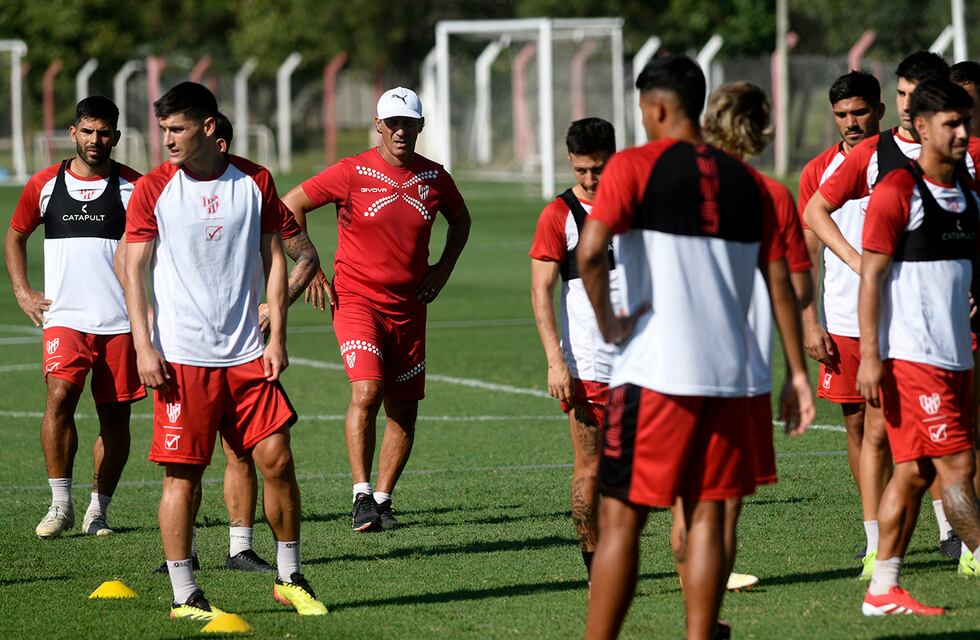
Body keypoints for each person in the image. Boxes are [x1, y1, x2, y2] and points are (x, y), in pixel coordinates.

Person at [579, 55, 814, 640]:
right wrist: (796, 374)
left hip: (657, 373)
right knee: (709, 512)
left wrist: (608, 321)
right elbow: (782, 283)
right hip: (733, 380)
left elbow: (588, 255)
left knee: (621, 517)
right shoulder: (752, 185)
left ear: (657, 108)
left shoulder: (633, 166)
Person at [123, 81, 326, 619]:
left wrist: (277, 333)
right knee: (183, 477)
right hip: (182, 360)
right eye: (163, 129)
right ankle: (185, 593)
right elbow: (132, 266)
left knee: (277, 459)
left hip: (246, 356)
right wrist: (144, 346)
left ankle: (289, 576)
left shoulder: (255, 180)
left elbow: (277, 256)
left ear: (209, 128)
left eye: (177, 129)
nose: (167, 139)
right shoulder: (153, 189)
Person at [803, 51, 975, 564]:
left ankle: (892, 572)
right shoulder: (887, 175)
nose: (905, 105)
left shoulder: (965, 169)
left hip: (949, 332)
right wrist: (825, 310)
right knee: (888, 436)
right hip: (892, 333)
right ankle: (895, 548)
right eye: (902, 94)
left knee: (923, 461)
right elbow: (819, 233)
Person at [281, 87, 471, 532]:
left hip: (410, 307)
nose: (402, 131)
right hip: (356, 300)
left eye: (410, 123)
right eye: (394, 123)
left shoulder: (436, 178)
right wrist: (313, 269)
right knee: (367, 392)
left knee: (403, 412)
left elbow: (461, 222)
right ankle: (361, 495)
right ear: (379, 125)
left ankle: (383, 502)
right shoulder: (351, 172)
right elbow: (291, 205)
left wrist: (443, 269)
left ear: (421, 127)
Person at [857, 78, 980, 617]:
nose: (960, 133)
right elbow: (871, 276)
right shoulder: (897, 191)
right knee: (957, 467)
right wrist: (868, 354)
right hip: (913, 359)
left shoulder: (969, 193)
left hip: (957, 357)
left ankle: (883, 588)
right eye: (950, 123)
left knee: (914, 473)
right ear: (922, 126)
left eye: (965, 122)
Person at [4, 96, 145, 539]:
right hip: (65, 318)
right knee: (60, 397)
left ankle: (97, 510)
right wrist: (22, 290)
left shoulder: (135, 188)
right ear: (72, 133)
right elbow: (15, 235)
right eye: (87, 131)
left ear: (116, 138)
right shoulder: (44, 184)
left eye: (104, 133)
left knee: (115, 419)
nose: (95, 140)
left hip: (121, 322)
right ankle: (59, 504)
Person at [701, 81, 814, 593]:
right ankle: (708, 589)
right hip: (738, 366)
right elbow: (794, 286)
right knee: (724, 494)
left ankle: (691, 572)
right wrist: (796, 372)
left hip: (667, 364)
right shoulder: (767, 194)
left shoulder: (673, 184)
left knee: (685, 489)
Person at [797, 71, 890, 576]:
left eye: (859, 112)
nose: (851, 123)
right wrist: (811, 321)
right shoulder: (818, 171)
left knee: (915, 424)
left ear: (879, 109)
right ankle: (874, 535)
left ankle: (950, 529)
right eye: (841, 115)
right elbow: (805, 254)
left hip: (903, 314)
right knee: (857, 425)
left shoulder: (902, 157)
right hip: (844, 319)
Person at [529, 117, 619, 580]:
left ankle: (695, 569)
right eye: (581, 170)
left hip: (646, 365)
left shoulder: (637, 205)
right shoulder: (558, 215)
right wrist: (555, 361)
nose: (589, 179)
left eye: (598, 169)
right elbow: (540, 291)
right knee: (590, 467)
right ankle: (595, 567)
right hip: (589, 367)